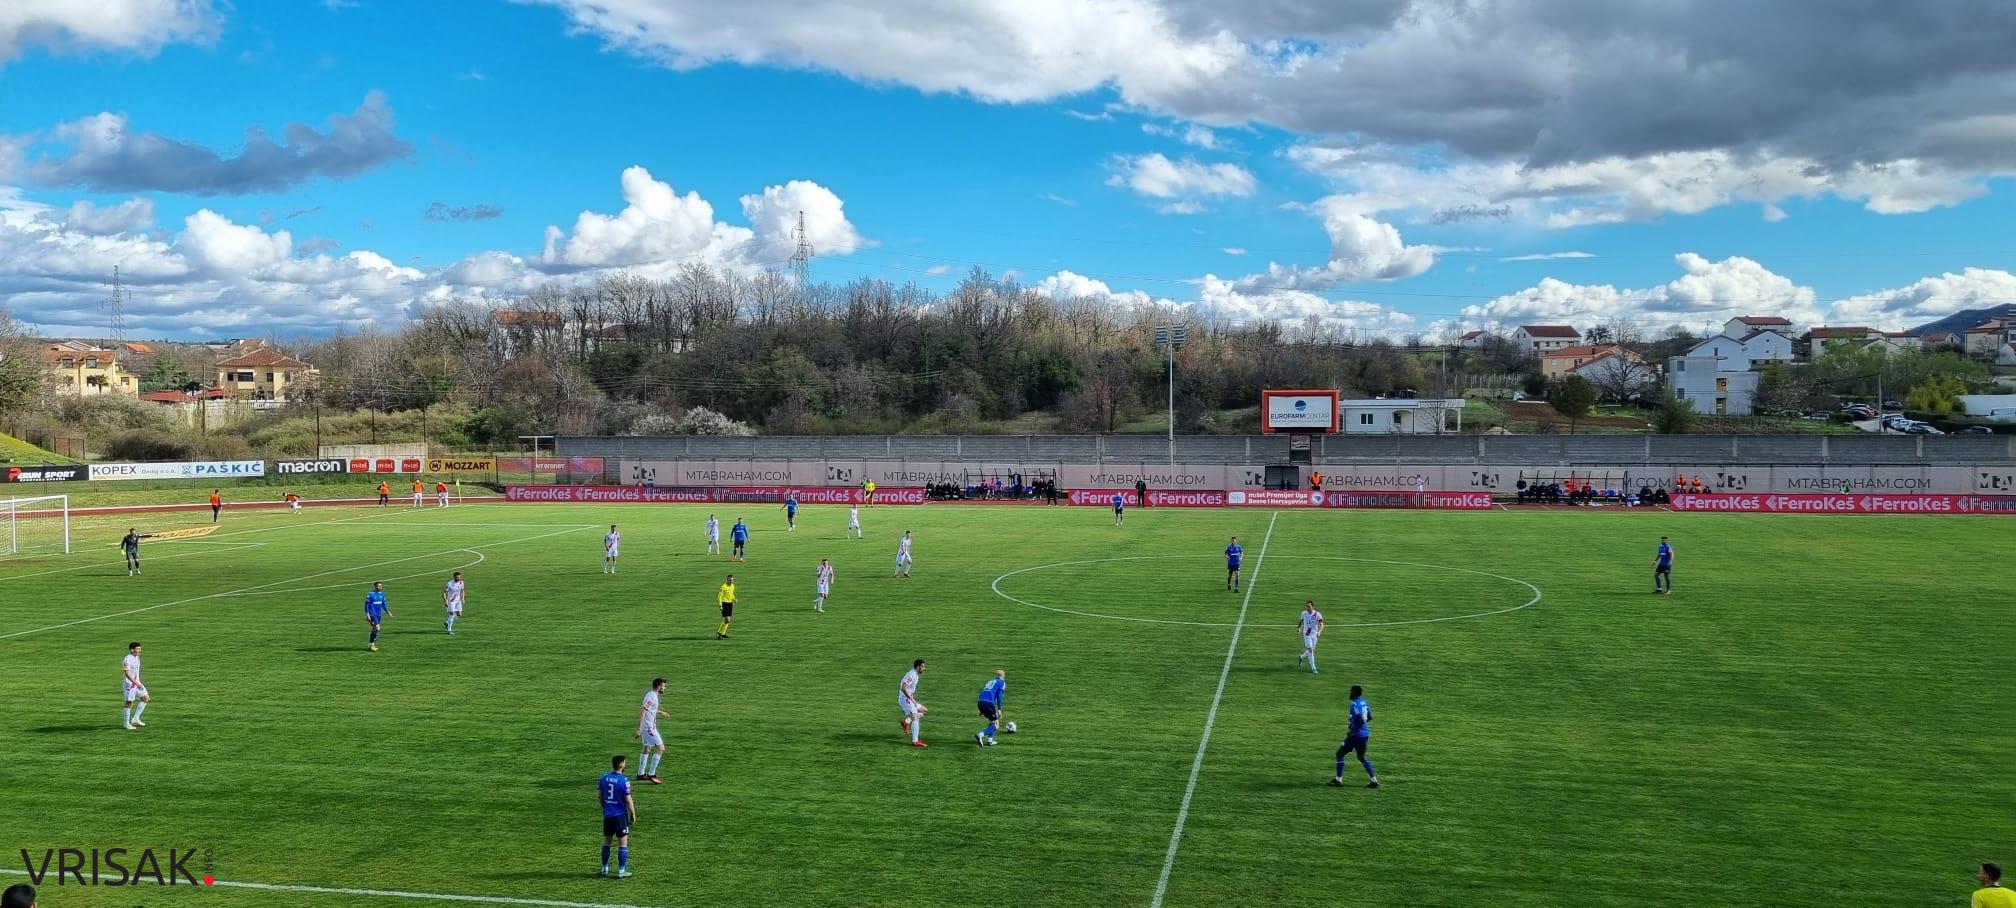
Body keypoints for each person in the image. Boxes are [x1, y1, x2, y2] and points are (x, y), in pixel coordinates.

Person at [1329, 685, 1378, 788]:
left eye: (1350, 691)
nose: (1349, 693)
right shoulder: (1363, 702)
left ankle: (1338, 780)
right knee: (1362, 757)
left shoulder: (1355, 704)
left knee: (1339, 753)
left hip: (1356, 735)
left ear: (1354, 693)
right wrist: (1358, 725)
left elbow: (1360, 718)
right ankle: (1374, 780)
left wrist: (1353, 730)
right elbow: (1369, 716)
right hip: (1365, 734)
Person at [598, 755, 636, 878]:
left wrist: (605, 807)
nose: (625, 764)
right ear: (621, 765)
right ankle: (621, 871)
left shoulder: (604, 778)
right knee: (622, 844)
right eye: (624, 762)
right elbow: (628, 800)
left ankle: (604, 869)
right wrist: (633, 814)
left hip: (608, 815)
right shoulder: (624, 780)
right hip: (620, 816)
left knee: (607, 842)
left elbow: (600, 795)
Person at [636, 678, 668, 785]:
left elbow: (650, 709)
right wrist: (639, 729)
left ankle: (640, 774)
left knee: (647, 748)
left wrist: (660, 712)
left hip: (648, 727)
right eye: (664, 686)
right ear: (659, 686)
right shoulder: (652, 697)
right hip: (649, 728)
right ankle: (651, 774)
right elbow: (643, 711)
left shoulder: (651, 694)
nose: (665, 688)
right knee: (661, 749)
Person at [899, 659, 928, 747]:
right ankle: (915, 741)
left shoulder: (915, 674)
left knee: (924, 711)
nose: (924, 668)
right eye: (923, 666)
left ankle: (906, 722)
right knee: (915, 717)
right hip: (906, 699)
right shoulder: (912, 675)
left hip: (909, 699)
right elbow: (904, 688)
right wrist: (912, 699)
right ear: (918, 666)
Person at [121, 641, 149, 730]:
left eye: (140, 649)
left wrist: (138, 683)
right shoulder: (127, 659)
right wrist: (136, 683)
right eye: (137, 649)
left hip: (137, 682)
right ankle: (126, 723)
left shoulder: (137, 657)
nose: (139, 651)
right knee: (129, 703)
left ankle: (135, 718)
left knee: (146, 698)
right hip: (130, 684)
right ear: (132, 649)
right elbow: (127, 674)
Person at [974, 669, 1006, 746]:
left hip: (980, 702)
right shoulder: (1001, 682)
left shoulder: (990, 681)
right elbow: (999, 696)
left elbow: (982, 693)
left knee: (993, 721)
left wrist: (981, 710)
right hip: (988, 704)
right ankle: (980, 735)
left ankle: (990, 741)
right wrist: (999, 709)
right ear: (1003, 676)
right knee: (996, 725)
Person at [1296, 601, 1325, 674]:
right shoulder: (1304, 613)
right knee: (1311, 650)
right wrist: (1298, 628)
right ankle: (1313, 668)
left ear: (1313, 606)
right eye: (1306, 606)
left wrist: (1319, 632)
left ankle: (1301, 657)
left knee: (1311, 650)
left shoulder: (1317, 614)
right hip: (1307, 634)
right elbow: (1301, 621)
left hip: (1314, 635)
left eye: (1309, 606)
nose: (1307, 608)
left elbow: (1321, 624)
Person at [364, 581, 392, 651]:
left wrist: (388, 612)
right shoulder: (370, 594)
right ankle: (372, 644)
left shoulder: (382, 594)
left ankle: (370, 645)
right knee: (377, 628)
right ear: (374, 586)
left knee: (374, 629)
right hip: (372, 614)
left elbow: (383, 604)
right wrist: (367, 615)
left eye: (380, 586)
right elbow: (366, 605)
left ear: (382, 587)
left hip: (379, 614)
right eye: (377, 586)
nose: (378, 587)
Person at [442, 571, 465, 635]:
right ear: (454, 577)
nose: (458, 578)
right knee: (452, 614)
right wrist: (445, 601)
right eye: (457, 577)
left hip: (458, 601)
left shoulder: (461, 582)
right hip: (451, 601)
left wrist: (463, 598)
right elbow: (444, 593)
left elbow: (463, 591)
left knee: (459, 615)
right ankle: (449, 630)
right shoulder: (450, 583)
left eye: (459, 577)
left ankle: (447, 622)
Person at [715, 574, 736, 639]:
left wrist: (734, 599)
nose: (731, 582)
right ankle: (719, 633)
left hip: (730, 604)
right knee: (727, 620)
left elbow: (732, 594)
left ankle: (723, 633)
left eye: (732, 580)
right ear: (727, 580)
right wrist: (720, 605)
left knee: (727, 620)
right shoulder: (723, 586)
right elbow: (719, 596)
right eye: (730, 580)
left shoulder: (732, 586)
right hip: (724, 603)